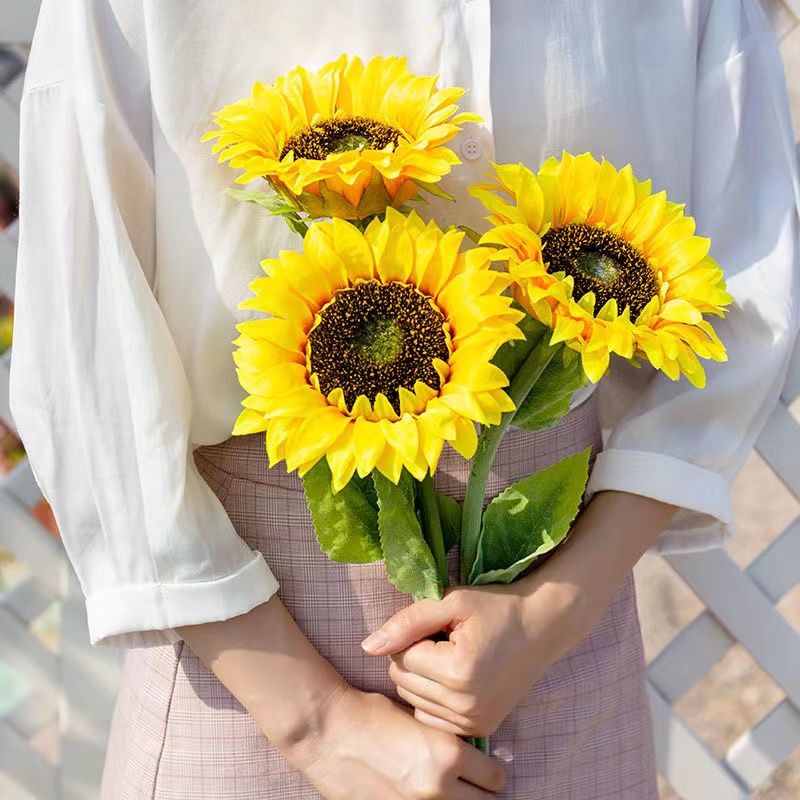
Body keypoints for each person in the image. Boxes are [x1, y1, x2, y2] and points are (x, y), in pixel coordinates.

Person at [10, 1, 799, 798]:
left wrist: (553, 609)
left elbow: (744, 279)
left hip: (562, 640)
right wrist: (311, 720)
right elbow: (85, 344)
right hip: (253, 660)